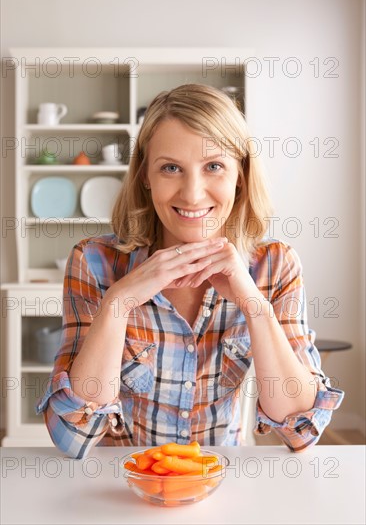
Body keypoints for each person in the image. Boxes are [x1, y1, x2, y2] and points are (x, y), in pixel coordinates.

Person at [36, 84, 344, 459]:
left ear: (240, 175)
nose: (193, 194)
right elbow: (73, 438)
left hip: (219, 487)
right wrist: (119, 302)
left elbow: (300, 431)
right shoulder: (95, 262)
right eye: (170, 168)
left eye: (213, 166)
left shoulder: (275, 265)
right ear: (145, 176)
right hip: (119, 489)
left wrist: (253, 304)